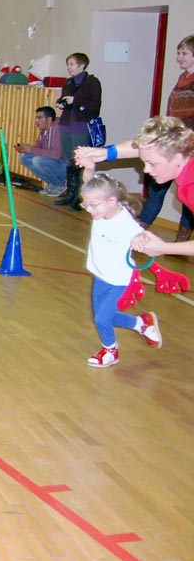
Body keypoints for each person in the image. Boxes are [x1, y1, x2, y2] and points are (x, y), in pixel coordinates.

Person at [76, 116, 194, 259]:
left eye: (152, 163)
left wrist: (163, 248)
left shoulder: (191, 188)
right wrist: (106, 152)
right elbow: (147, 147)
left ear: (177, 158)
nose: (146, 170)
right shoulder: (183, 153)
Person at [77, 174, 162, 368]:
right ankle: (142, 323)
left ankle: (110, 350)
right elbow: (90, 181)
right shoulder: (101, 210)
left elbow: (142, 236)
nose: (89, 209)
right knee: (105, 317)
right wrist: (89, 166)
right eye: (86, 204)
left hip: (119, 280)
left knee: (102, 319)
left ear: (112, 201)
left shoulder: (125, 224)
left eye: (93, 205)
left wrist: (140, 238)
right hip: (100, 276)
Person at [135, 35, 194, 240]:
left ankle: (183, 237)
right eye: (178, 53)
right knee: (157, 186)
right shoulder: (182, 79)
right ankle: (141, 225)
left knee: (187, 191)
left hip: (188, 145)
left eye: (184, 53)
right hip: (173, 142)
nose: (179, 57)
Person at [53, 52, 102, 209]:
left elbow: (95, 106)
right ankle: (70, 194)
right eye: (68, 64)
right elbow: (65, 99)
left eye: (72, 64)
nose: (69, 67)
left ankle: (80, 198)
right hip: (66, 124)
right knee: (69, 160)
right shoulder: (69, 82)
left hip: (80, 126)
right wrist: (62, 103)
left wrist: (76, 101)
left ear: (82, 65)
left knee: (79, 161)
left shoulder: (92, 82)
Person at [15, 106, 65, 196]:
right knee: (24, 158)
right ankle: (52, 183)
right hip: (53, 162)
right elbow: (37, 149)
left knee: (37, 160)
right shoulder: (43, 130)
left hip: (64, 166)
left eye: (39, 118)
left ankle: (61, 184)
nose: (36, 121)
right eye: (36, 118)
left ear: (49, 120)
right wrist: (25, 149)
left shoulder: (57, 129)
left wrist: (31, 149)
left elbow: (57, 154)